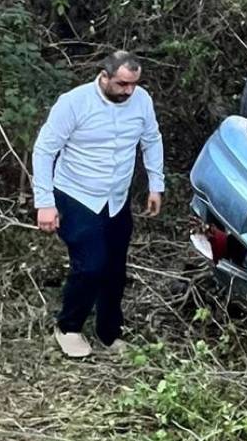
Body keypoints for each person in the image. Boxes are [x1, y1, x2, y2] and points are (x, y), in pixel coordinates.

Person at [32, 50, 165, 358]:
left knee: (115, 268)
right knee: (90, 265)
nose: (128, 91)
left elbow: (152, 139)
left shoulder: (141, 100)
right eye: (121, 84)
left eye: (133, 84)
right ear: (104, 77)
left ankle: (109, 331)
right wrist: (44, 203)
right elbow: (44, 151)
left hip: (116, 198)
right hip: (76, 193)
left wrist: (156, 185)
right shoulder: (74, 103)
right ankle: (69, 327)